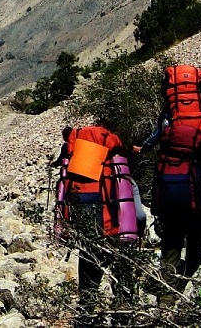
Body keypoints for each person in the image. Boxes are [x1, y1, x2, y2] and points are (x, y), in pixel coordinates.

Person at [134, 65, 201, 286]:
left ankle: (168, 294)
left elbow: (157, 135)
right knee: (197, 238)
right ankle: (193, 287)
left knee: (171, 241)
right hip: (198, 181)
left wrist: (143, 148)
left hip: (170, 183)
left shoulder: (171, 112)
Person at [54, 125, 138, 314]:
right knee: (121, 276)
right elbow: (133, 207)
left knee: (88, 279)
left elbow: (64, 197)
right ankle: (124, 314)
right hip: (114, 229)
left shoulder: (75, 161)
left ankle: (85, 315)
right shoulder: (115, 162)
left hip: (86, 232)